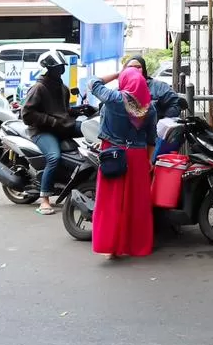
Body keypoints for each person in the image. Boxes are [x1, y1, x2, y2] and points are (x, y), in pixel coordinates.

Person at [87, 66, 157, 259]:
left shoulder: (114, 99)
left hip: (113, 154)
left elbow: (92, 82)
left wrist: (118, 74)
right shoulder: (149, 107)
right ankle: (137, 246)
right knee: (137, 204)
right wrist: (148, 159)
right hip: (137, 156)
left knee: (111, 203)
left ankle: (111, 248)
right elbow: (152, 138)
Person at [20, 51, 76, 216]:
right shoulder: (39, 87)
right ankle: (44, 199)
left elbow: (64, 112)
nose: (59, 70)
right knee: (54, 157)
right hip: (42, 131)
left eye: (61, 68)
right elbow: (27, 114)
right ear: (48, 69)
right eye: (56, 68)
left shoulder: (63, 88)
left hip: (60, 128)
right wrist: (51, 121)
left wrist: (81, 111)